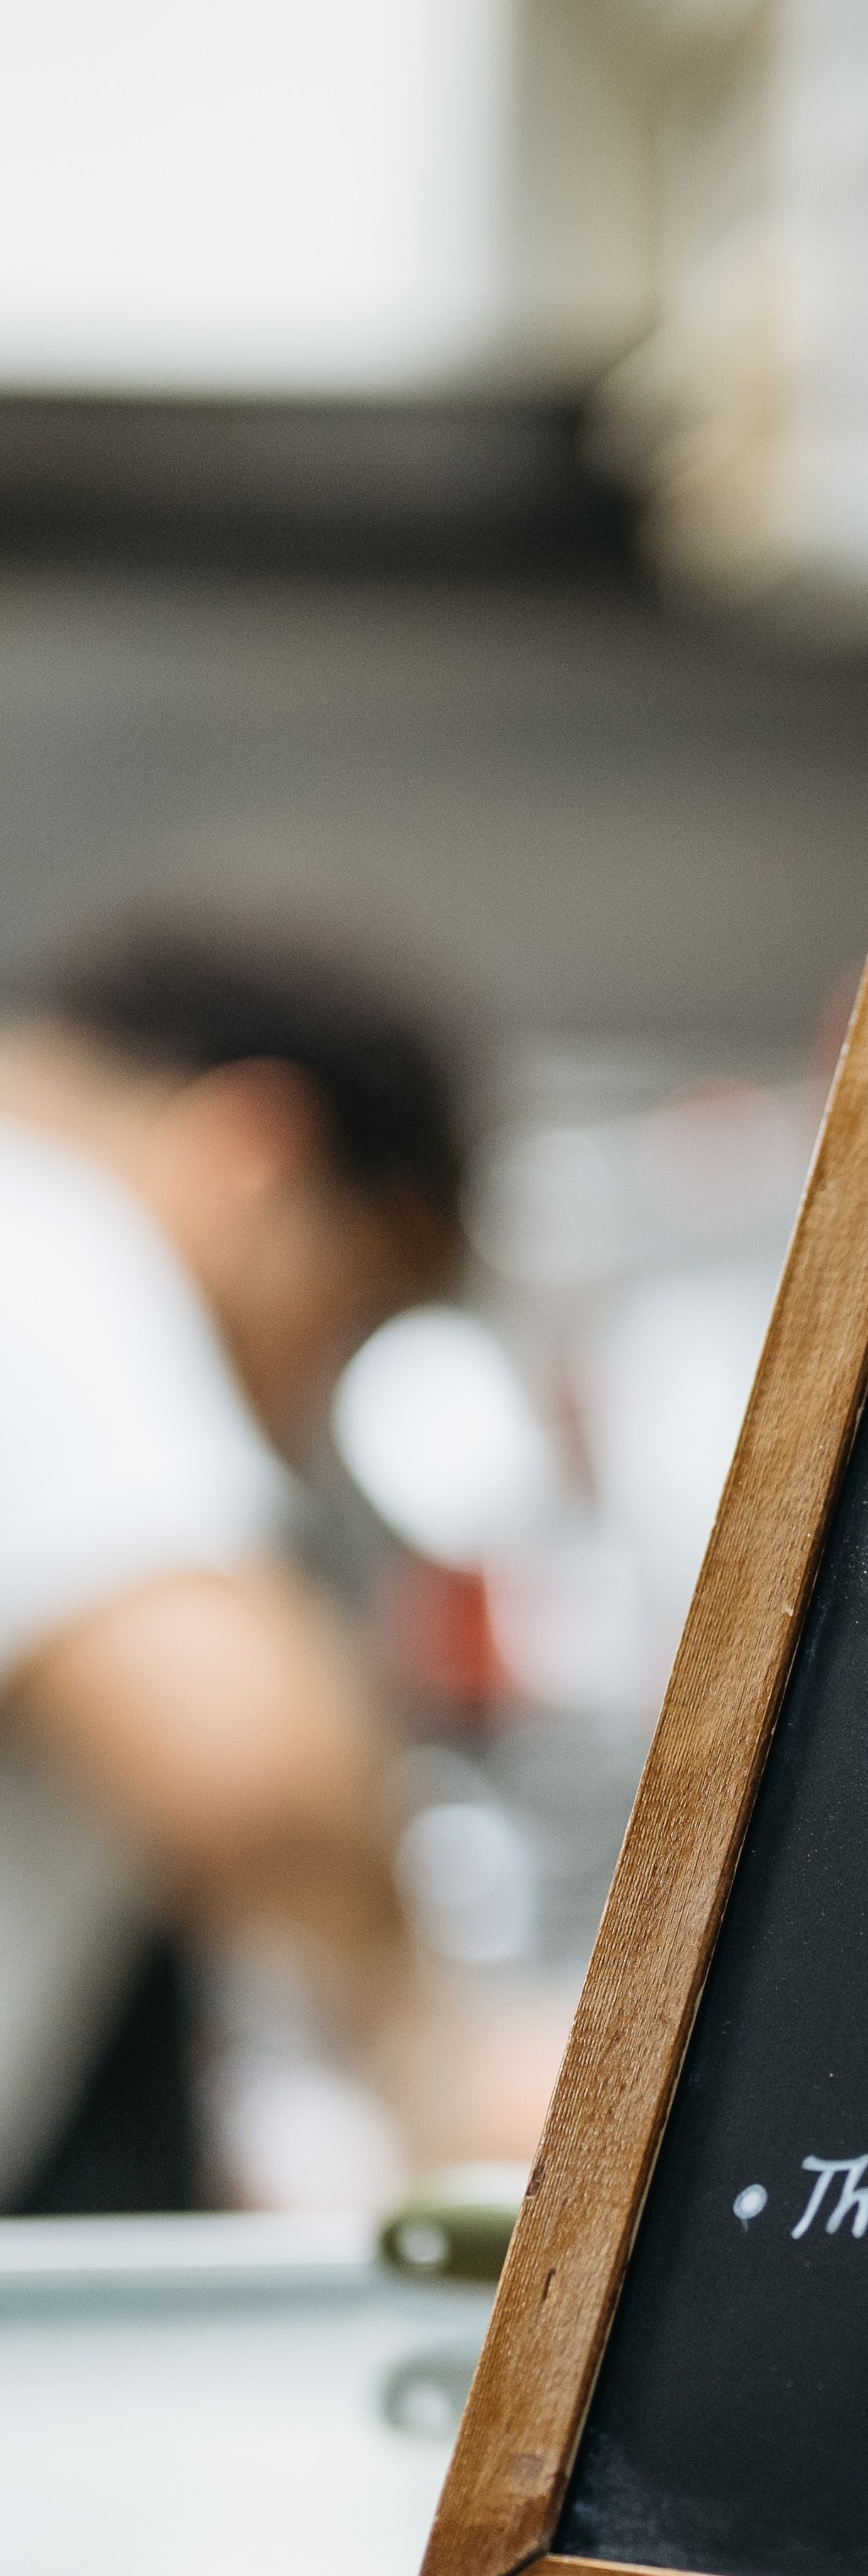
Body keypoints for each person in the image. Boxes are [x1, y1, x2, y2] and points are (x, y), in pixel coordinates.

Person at [0, 916, 489, 2210]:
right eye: (350, 1312)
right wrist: (432, 2053)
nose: (303, 1405)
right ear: (254, 1158)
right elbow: (255, 1779)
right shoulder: (46, 1239)